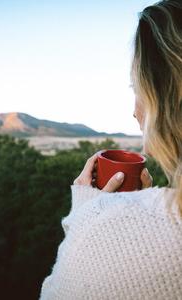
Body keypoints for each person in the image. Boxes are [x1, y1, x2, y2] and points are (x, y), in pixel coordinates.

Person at [39, 0, 182, 299]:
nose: (134, 111)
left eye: (137, 88)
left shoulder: (115, 234)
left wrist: (88, 216)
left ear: (164, 95)